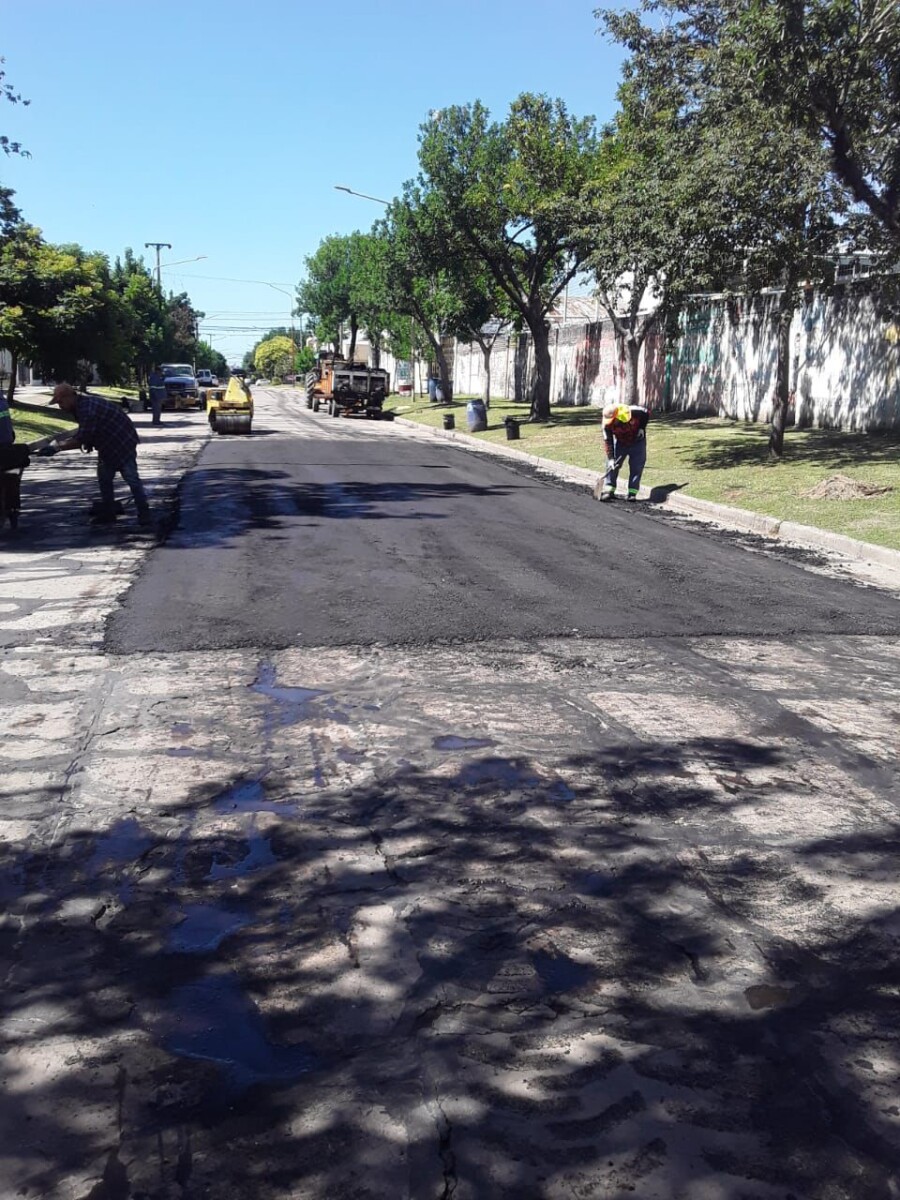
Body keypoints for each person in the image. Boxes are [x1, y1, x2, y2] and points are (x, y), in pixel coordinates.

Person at [49, 383, 153, 526]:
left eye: (60, 402)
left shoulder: (86, 409)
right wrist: (89, 442)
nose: (60, 406)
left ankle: (144, 514)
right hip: (111, 443)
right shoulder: (82, 406)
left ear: (69, 397)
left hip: (121, 442)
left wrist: (57, 447)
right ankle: (110, 513)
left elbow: (82, 438)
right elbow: (89, 432)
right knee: (105, 478)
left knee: (131, 478)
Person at [597, 402, 650, 503]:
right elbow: (608, 441)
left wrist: (641, 428)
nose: (611, 423)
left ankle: (632, 493)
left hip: (637, 441)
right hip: (621, 442)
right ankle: (609, 490)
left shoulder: (633, 411)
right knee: (612, 465)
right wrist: (611, 458)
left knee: (637, 466)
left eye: (613, 420)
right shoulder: (606, 425)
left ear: (617, 416)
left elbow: (646, 413)